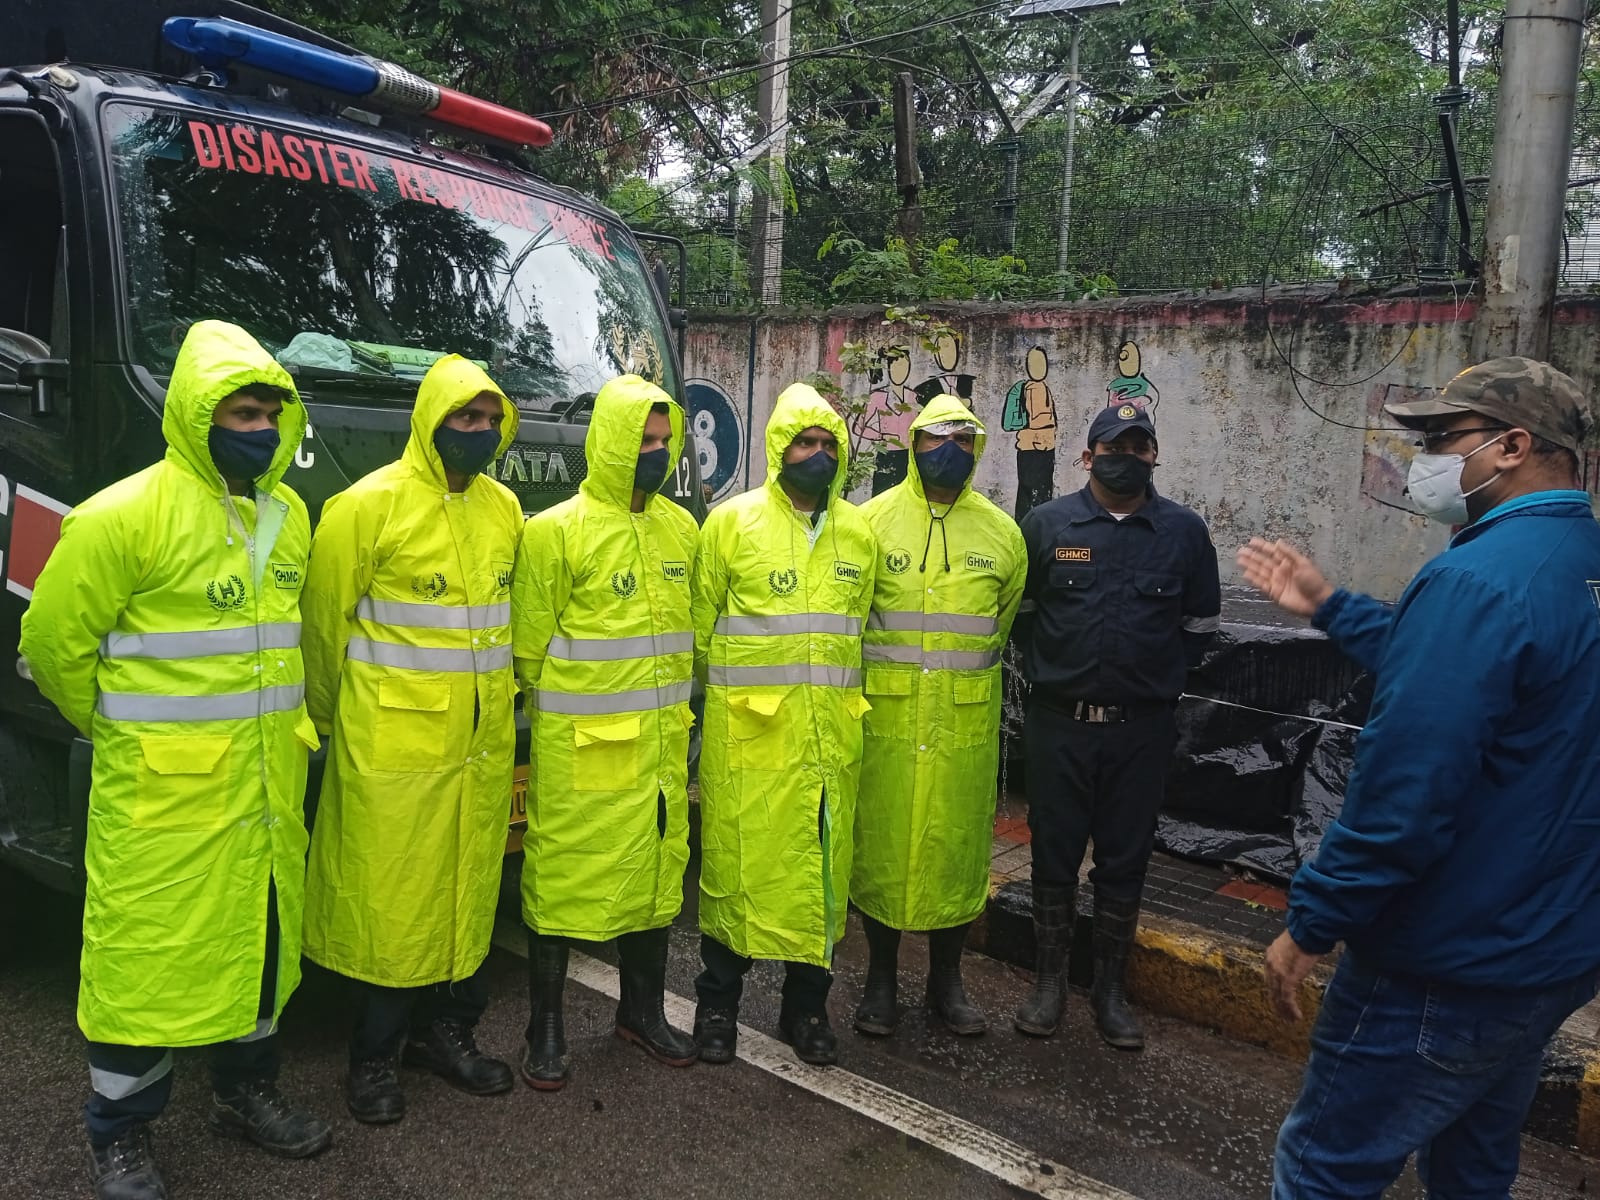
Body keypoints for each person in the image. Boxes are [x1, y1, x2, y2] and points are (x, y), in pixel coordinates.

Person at [1236, 358, 1600, 1200]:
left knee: (1326, 1167)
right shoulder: (1572, 565)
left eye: (1443, 438)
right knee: (1473, 1161)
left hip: (1447, 962)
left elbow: (1404, 800)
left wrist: (1313, 922)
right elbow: (1469, 667)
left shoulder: (1475, 579)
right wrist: (1331, 605)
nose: (1423, 459)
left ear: (1512, 446)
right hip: (1549, 952)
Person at [19, 320, 332, 1200]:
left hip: (267, 793)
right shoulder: (121, 516)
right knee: (144, 960)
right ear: (199, 415)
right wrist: (128, 733)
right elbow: (51, 647)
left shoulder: (289, 515)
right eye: (242, 410)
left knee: (258, 948)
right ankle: (118, 1134)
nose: (261, 427)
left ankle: (247, 1093)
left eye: (272, 410)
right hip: (161, 801)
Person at [301, 354, 522, 1125]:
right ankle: (373, 1058)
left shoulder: (504, 509)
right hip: (390, 748)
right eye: (466, 419)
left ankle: (447, 1034)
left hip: (478, 749)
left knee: (466, 893)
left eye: (492, 420)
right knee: (393, 903)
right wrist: (322, 727)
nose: (482, 432)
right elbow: (322, 630)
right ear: (431, 422)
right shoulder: (367, 508)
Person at [510, 375, 701, 1090]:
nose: (653, 452)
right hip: (583, 755)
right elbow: (527, 651)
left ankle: (641, 1014)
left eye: (662, 440)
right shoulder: (554, 532)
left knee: (655, 880)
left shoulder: (682, 530)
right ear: (610, 442)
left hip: (657, 752)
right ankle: (546, 1027)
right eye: (641, 440)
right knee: (560, 879)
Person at [1013, 401, 1220, 1048]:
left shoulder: (1184, 533)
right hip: (1058, 726)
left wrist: (1148, 685)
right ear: (1087, 455)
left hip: (1141, 732)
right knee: (1053, 854)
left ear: (1155, 455)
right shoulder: (1046, 525)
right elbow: (1020, 619)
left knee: (1126, 860)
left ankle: (1109, 991)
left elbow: (1199, 632)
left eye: (1138, 448)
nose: (1125, 458)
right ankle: (1049, 985)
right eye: (1113, 447)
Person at [691, 382, 876, 1066]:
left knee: (821, 880)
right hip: (751, 744)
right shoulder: (732, 525)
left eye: (829, 444)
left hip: (830, 744)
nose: (818, 454)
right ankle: (717, 1009)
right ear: (778, 448)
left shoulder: (858, 533)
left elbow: (862, 634)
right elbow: (699, 631)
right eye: (805, 442)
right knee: (739, 874)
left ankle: (806, 1012)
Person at [851, 396, 1025, 1038]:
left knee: (955, 851)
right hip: (887, 726)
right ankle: (879, 979)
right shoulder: (867, 525)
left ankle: (946, 981)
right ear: (913, 444)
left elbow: (998, 628)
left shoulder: (1004, 536)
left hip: (962, 731)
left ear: (977, 448)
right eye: (933, 438)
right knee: (884, 848)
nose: (946, 450)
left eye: (960, 438)